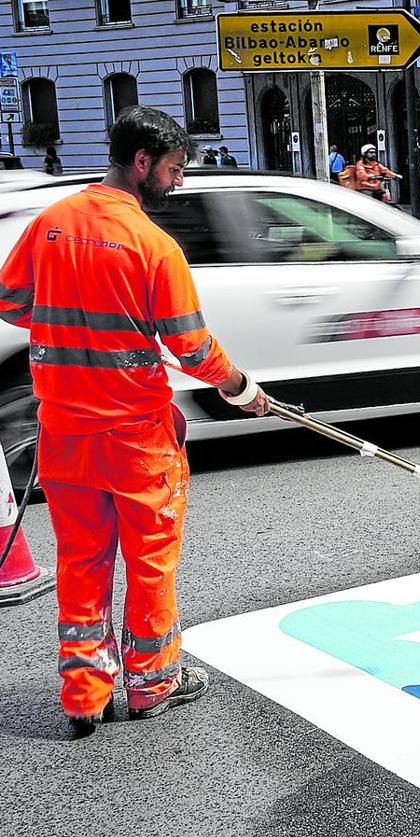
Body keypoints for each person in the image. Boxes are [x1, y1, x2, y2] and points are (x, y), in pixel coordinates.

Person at [0, 106, 270, 737]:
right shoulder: (154, 246)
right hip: (136, 437)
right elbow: (192, 348)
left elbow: (10, 302)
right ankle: (151, 684)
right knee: (149, 562)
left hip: (65, 432)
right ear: (142, 163)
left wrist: (70, 318)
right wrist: (240, 388)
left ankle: (84, 695)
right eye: (174, 170)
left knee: (81, 560)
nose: (178, 183)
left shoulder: (52, 224)